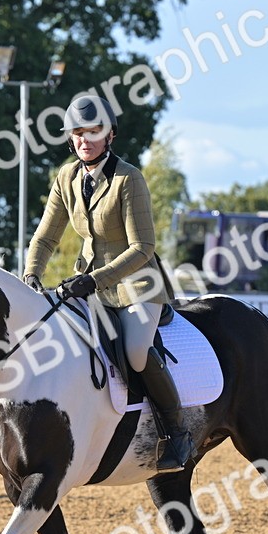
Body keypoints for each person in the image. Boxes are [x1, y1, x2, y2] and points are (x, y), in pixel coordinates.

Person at [23, 94, 194, 472]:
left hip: (137, 286)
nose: (85, 140)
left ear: (110, 134)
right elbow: (45, 238)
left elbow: (143, 247)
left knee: (135, 351)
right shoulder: (66, 177)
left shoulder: (128, 178)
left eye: (93, 132)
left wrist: (93, 279)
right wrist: (31, 274)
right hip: (90, 287)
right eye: (78, 133)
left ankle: (177, 431)